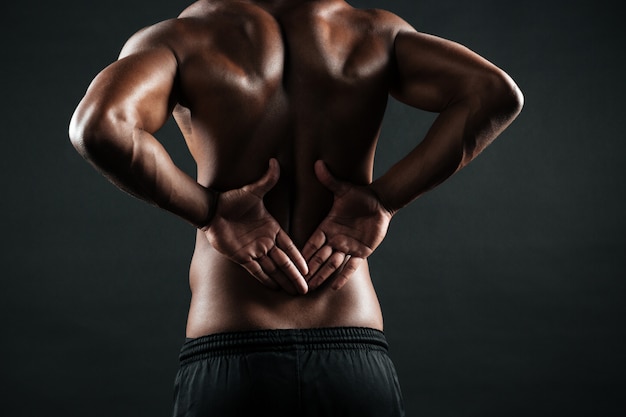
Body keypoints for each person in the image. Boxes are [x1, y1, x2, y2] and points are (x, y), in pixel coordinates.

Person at [69, 0, 523, 415]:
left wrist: (211, 212)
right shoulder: (370, 35)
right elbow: (495, 94)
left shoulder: (184, 38)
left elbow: (99, 126)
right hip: (353, 356)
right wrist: (383, 199)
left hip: (233, 358)